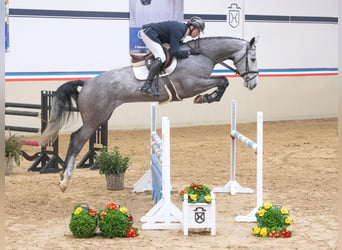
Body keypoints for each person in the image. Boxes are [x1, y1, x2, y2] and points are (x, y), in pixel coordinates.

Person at [139, 16, 205, 96]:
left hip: (156, 36)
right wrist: (189, 52)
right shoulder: (179, 30)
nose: (198, 34)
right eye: (198, 31)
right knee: (161, 57)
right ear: (191, 27)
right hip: (148, 33)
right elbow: (174, 52)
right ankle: (146, 85)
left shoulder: (183, 32)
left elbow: (177, 47)